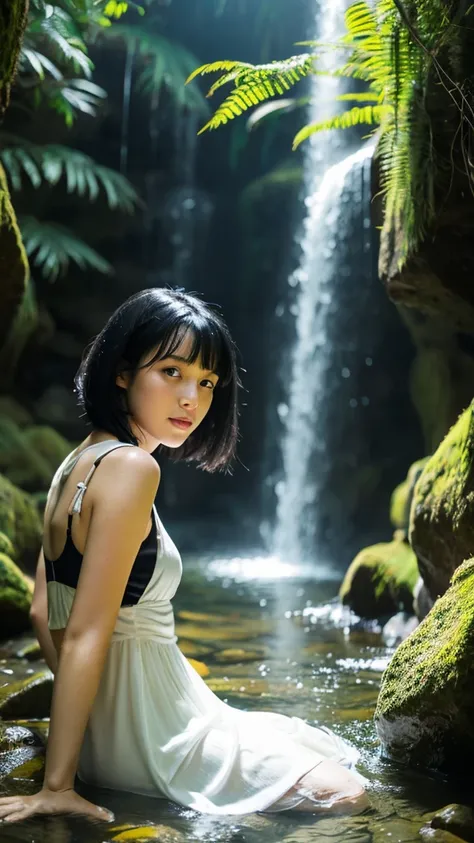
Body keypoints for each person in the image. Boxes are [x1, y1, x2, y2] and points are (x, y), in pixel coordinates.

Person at [0, 288, 368, 824]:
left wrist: (94, 723)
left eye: (207, 382)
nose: (191, 398)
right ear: (122, 371)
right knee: (346, 794)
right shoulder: (132, 468)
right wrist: (58, 785)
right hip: (152, 730)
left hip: (121, 725)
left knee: (313, 746)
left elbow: (42, 610)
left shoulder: (77, 460)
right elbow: (84, 631)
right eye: (172, 372)